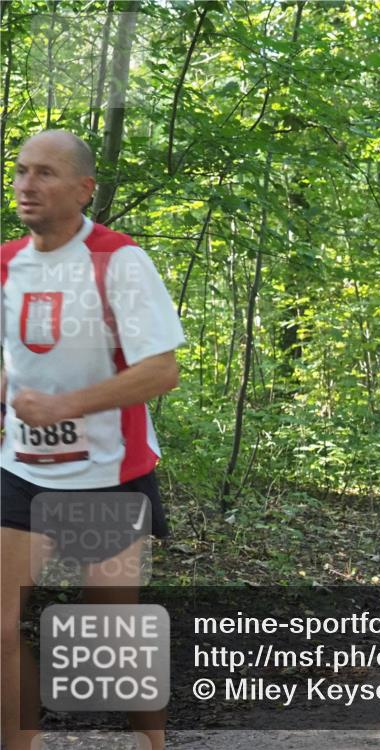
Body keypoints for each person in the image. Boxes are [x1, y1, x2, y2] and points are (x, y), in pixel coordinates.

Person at [1, 130, 184, 750]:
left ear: (83, 189)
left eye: (46, 174)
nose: (27, 184)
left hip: (106, 473)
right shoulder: (5, 263)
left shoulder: (118, 259)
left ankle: (151, 745)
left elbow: (163, 370)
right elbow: (11, 357)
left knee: (107, 633)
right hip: (22, 470)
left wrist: (66, 404)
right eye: (22, 170)